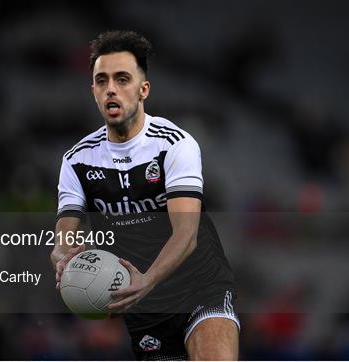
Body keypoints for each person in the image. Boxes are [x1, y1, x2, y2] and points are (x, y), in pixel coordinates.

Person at [50, 30, 239, 360]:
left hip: (199, 287)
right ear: (93, 90)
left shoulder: (174, 145)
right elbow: (65, 233)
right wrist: (65, 258)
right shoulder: (77, 160)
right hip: (142, 304)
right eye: (102, 80)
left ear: (143, 89)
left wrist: (147, 279)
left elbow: (187, 234)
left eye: (122, 79)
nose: (111, 88)